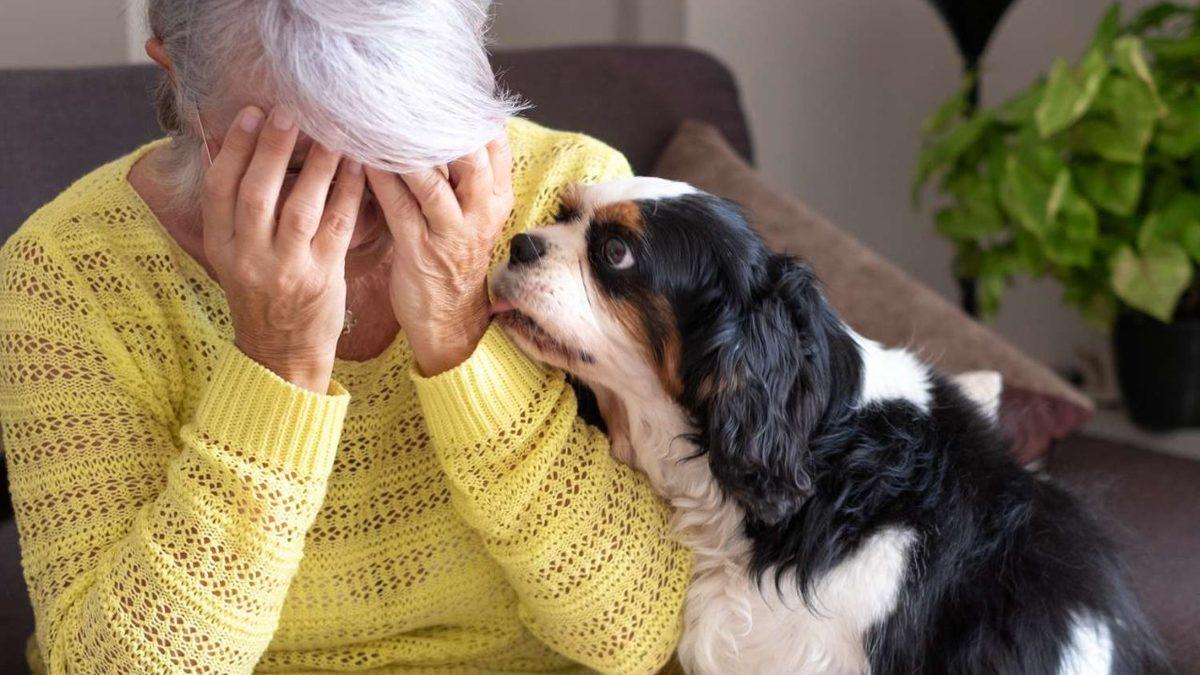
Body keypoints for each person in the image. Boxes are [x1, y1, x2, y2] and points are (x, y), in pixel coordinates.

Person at [0, 1, 689, 672]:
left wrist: (458, 333)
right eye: (295, 169)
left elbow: (633, 635)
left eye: (403, 147)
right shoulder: (68, 274)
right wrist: (277, 364)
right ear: (178, 76)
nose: (353, 214)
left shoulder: (572, 214)